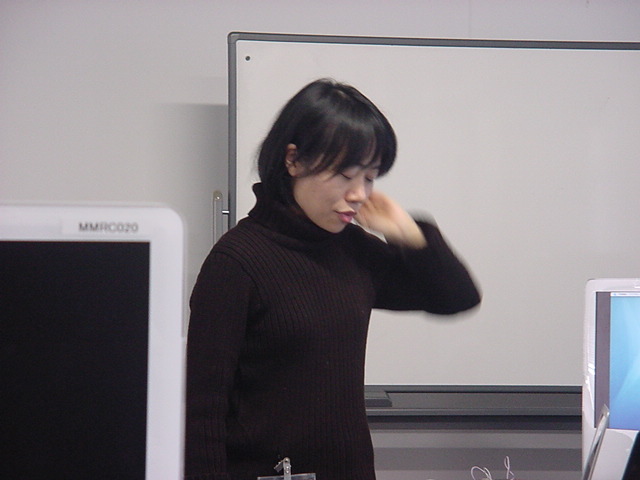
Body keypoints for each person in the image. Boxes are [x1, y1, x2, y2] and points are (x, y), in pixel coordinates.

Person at [185, 78, 481, 480]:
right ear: (293, 160)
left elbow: (456, 296)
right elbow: (203, 412)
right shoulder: (236, 262)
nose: (359, 194)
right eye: (345, 174)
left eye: (370, 177)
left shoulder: (353, 250)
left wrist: (409, 233)